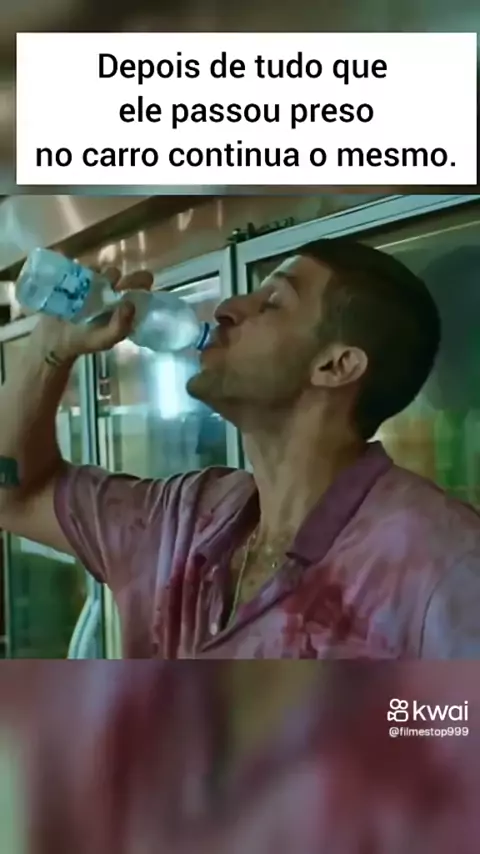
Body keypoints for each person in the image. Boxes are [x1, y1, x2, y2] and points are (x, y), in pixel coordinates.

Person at [0, 238, 479, 659]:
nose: (228, 307)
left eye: (272, 302)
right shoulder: (183, 520)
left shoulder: (442, 565)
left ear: (335, 366)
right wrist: (49, 350)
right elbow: (13, 496)